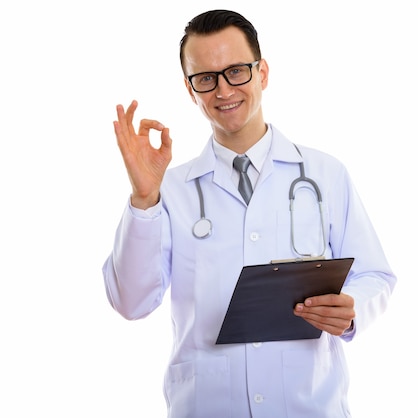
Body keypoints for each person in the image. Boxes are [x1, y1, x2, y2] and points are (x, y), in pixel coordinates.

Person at [102, 9, 397, 418]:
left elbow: (375, 275)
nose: (223, 90)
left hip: (308, 405)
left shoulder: (324, 174)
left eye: (236, 71)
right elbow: (130, 302)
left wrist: (351, 309)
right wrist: (143, 197)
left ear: (263, 73)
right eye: (205, 78)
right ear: (190, 90)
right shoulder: (168, 190)